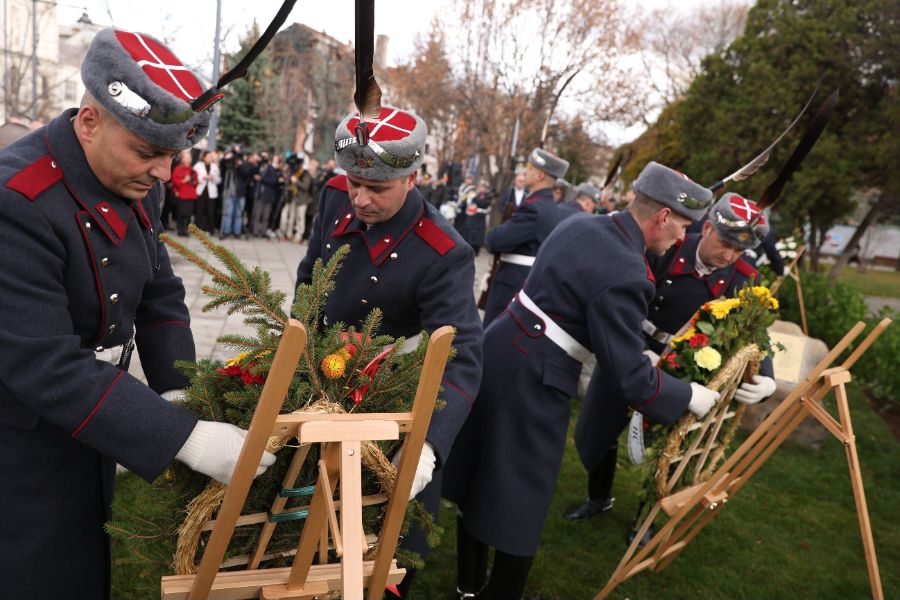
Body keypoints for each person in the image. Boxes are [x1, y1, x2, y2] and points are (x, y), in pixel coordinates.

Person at [0, 28, 274, 599]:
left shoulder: (132, 176)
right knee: (36, 569)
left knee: (82, 557)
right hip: (22, 438)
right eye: (149, 152)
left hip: (99, 412)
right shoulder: (18, 199)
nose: (163, 175)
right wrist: (185, 437)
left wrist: (178, 392)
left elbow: (159, 294)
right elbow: (46, 363)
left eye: (173, 156)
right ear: (89, 120)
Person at [442, 161, 720, 599]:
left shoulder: (582, 224)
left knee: (480, 474)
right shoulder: (629, 270)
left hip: (501, 350)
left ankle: (469, 587)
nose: (682, 238)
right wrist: (688, 395)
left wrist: (629, 345)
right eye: (683, 226)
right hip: (537, 375)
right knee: (522, 499)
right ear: (663, 216)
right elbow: (630, 379)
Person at [294, 105, 483, 597]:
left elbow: (461, 356)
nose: (359, 198)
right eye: (354, 181)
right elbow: (310, 274)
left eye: (376, 188)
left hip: (391, 394)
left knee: (388, 540)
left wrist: (426, 445)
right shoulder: (335, 196)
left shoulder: (444, 251)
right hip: (319, 375)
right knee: (300, 517)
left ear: (413, 177)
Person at [567, 192, 779, 522]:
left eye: (739, 250)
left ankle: (646, 520)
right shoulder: (666, 246)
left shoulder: (746, 277)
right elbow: (621, 296)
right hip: (631, 349)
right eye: (724, 243)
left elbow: (757, 328)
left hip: (687, 373)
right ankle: (599, 497)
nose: (729, 255)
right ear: (707, 227)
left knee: (670, 450)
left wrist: (767, 376)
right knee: (599, 429)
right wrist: (637, 349)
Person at [480, 148, 568, 325]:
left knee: (491, 339)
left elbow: (494, 240)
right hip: (523, 280)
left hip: (512, 282)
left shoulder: (534, 208)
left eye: (530, 168)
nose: (525, 172)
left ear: (540, 176)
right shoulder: (546, 204)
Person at [172, 149, 198, 236]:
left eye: (189, 157)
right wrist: (183, 180)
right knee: (181, 214)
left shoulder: (192, 170)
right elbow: (174, 181)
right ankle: (180, 230)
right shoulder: (178, 169)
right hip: (182, 194)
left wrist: (194, 181)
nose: (188, 159)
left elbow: (196, 182)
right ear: (182, 159)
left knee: (188, 214)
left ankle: (185, 230)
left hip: (190, 195)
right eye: (186, 157)